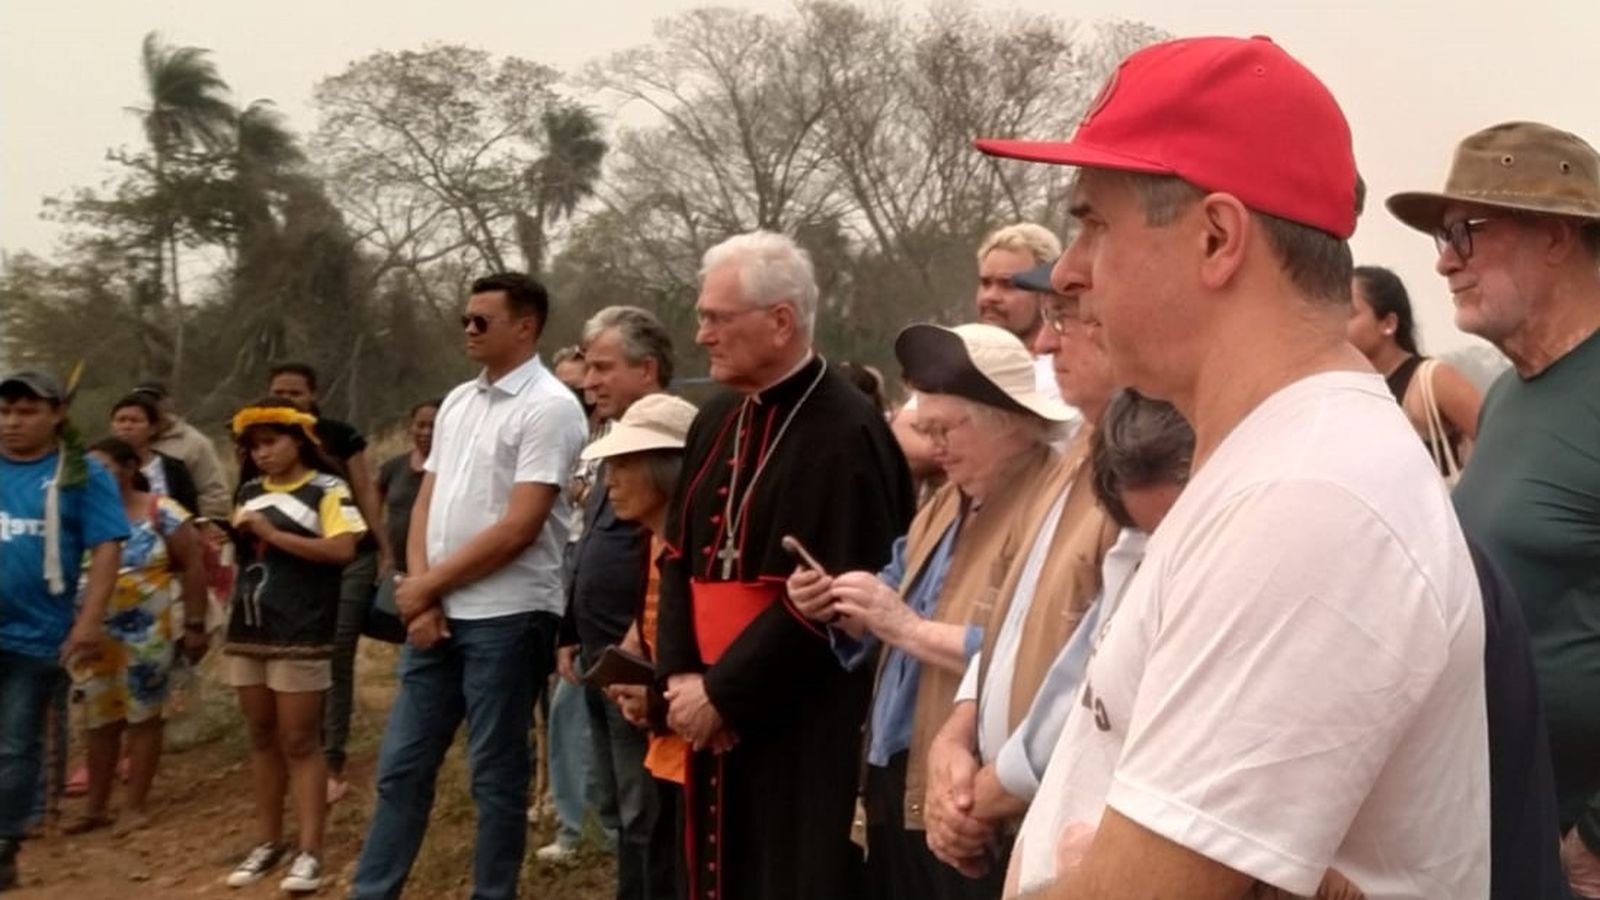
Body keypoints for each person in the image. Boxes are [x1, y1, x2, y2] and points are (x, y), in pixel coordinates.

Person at [977, 35, 1488, 898]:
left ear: (1217, 238)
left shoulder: (1309, 501)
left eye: (1095, 223)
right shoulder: (1279, 463)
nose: (1069, 271)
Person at [656, 231, 916, 900]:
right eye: (702, 316)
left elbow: (839, 603)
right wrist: (684, 680)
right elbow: (679, 558)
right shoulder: (713, 419)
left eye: (717, 317)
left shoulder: (848, 430)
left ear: (780, 321)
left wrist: (723, 695)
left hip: (798, 721)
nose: (702, 334)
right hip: (707, 706)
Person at [786, 322, 1071, 900]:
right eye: (927, 429)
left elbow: (1038, 652)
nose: (933, 447)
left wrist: (907, 628)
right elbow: (891, 600)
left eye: (945, 430)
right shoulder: (944, 503)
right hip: (901, 774)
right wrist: (839, 605)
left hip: (971, 790)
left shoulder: (1050, 506)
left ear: (1009, 422)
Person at [1388, 120, 1600, 898]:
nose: (1443, 261)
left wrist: (1593, 842)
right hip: (1507, 835)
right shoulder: (1510, 396)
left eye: (1465, 233)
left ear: (1555, 237)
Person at [351, 272, 586, 900]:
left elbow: (520, 526)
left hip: (509, 617)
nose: (468, 331)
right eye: (465, 320)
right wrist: (420, 589)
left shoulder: (551, 406)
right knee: (402, 768)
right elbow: (427, 496)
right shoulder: (457, 402)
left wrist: (427, 587)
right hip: (438, 612)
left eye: (481, 320)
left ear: (525, 326)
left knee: (496, 777)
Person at [921, 270, 1122, 884]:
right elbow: (1002, 625)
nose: (1044, 345)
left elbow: (1104, 670)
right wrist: (954, 733)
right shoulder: (1080, 451)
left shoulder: (1146, 472)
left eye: (1067, 318)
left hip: (1062, 833)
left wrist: (981, 792)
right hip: (1003, 812)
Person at [554, 306, 678, 897]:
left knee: (645, 810)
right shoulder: (606, 438)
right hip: (602, 656)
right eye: (587, 368)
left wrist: (639, 653)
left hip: (645, 665)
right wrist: (569, 632)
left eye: (603, 367)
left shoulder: (669, 446)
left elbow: (662, 559)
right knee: (616, 807)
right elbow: (587, 543)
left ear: (647, 368)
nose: (589, 380)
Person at [221, 397, 366, 892]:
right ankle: (268, 841)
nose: (262, 453)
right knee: (261, 735)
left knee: (301, 739)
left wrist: (271, 534)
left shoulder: (328, 488)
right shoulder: (247, 490)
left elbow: (343, 549)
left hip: (303, 626)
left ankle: (310, 850)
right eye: (253, 446)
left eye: (270, 442)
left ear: (299, 440)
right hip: (249, 624)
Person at [0, 370, 127, 891]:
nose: (12, 422)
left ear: (58, 415)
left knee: (15, 743)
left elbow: (107, 547)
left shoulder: (81, 474)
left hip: (38, 634)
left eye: (27, 411)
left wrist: (89, 620)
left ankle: (5, 840)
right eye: (5, 411)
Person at [577, 392, 702, 900]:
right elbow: (644, 624)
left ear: (667, 468)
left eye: (625, 465)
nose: (610, 481)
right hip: (662, 750)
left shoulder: (701, 548)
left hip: (697, 756)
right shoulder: (653, 539)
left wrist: (654, 694)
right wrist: (626, 670)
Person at [64, 437, 209, 836]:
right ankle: (95, 806)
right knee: (97, 717)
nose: (94, 477)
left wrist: (195, 624)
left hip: (148, 631)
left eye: (104, 468)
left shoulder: (161, 510)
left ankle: (135, 805)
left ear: (129, 468)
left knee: (144, 714)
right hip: (93, 632)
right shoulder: (78, 514)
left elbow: (194, 566)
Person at [266, 361, 388, 803]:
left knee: (336, 652)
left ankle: (332, 759)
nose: (287, 399)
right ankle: (298, 753)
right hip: (292, 559)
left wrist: (385, 548)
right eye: (279, 391)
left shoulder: (339, 434)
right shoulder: (260, 439)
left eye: (296, 393)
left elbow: (364, 489)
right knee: (298, 655)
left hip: (349, 552)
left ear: (313, 395)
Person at [892, 224, 1075, 478]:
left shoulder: (1065, 367)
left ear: (1043, 292)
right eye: (985, 283)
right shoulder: (960, 353)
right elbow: (901, 433)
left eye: (1008, 285)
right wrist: (961, 453)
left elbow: (1035, 456)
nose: (991, 296)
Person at [1345, 265, 1482, 473]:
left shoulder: (1433, 379)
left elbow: (1501, 445)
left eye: (1349, 314)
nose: (1338, 325)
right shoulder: (1349, 393)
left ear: (1388, 323)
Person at [130, 381, 230, 520]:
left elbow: (214, 493)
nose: (148, 406)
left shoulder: (195, 443)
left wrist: (201, 524)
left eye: (154, 401)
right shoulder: (124, 443)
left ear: (168, 404)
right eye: (140, 401)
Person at [375, 399, 440, 581]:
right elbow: (372, 514)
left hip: (435, 568)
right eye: (420, 425)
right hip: (394, 567)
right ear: (410, 427)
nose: (426, 432)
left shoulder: (453, 470)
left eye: (434, 426)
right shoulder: (392, 468)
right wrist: (383, 553)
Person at [109, 393, 201, 516]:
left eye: (134, 421)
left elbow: (189, 512)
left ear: (152, 428)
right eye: (121, 420)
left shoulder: (174, 468)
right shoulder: (99, 467)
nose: (127, 426)